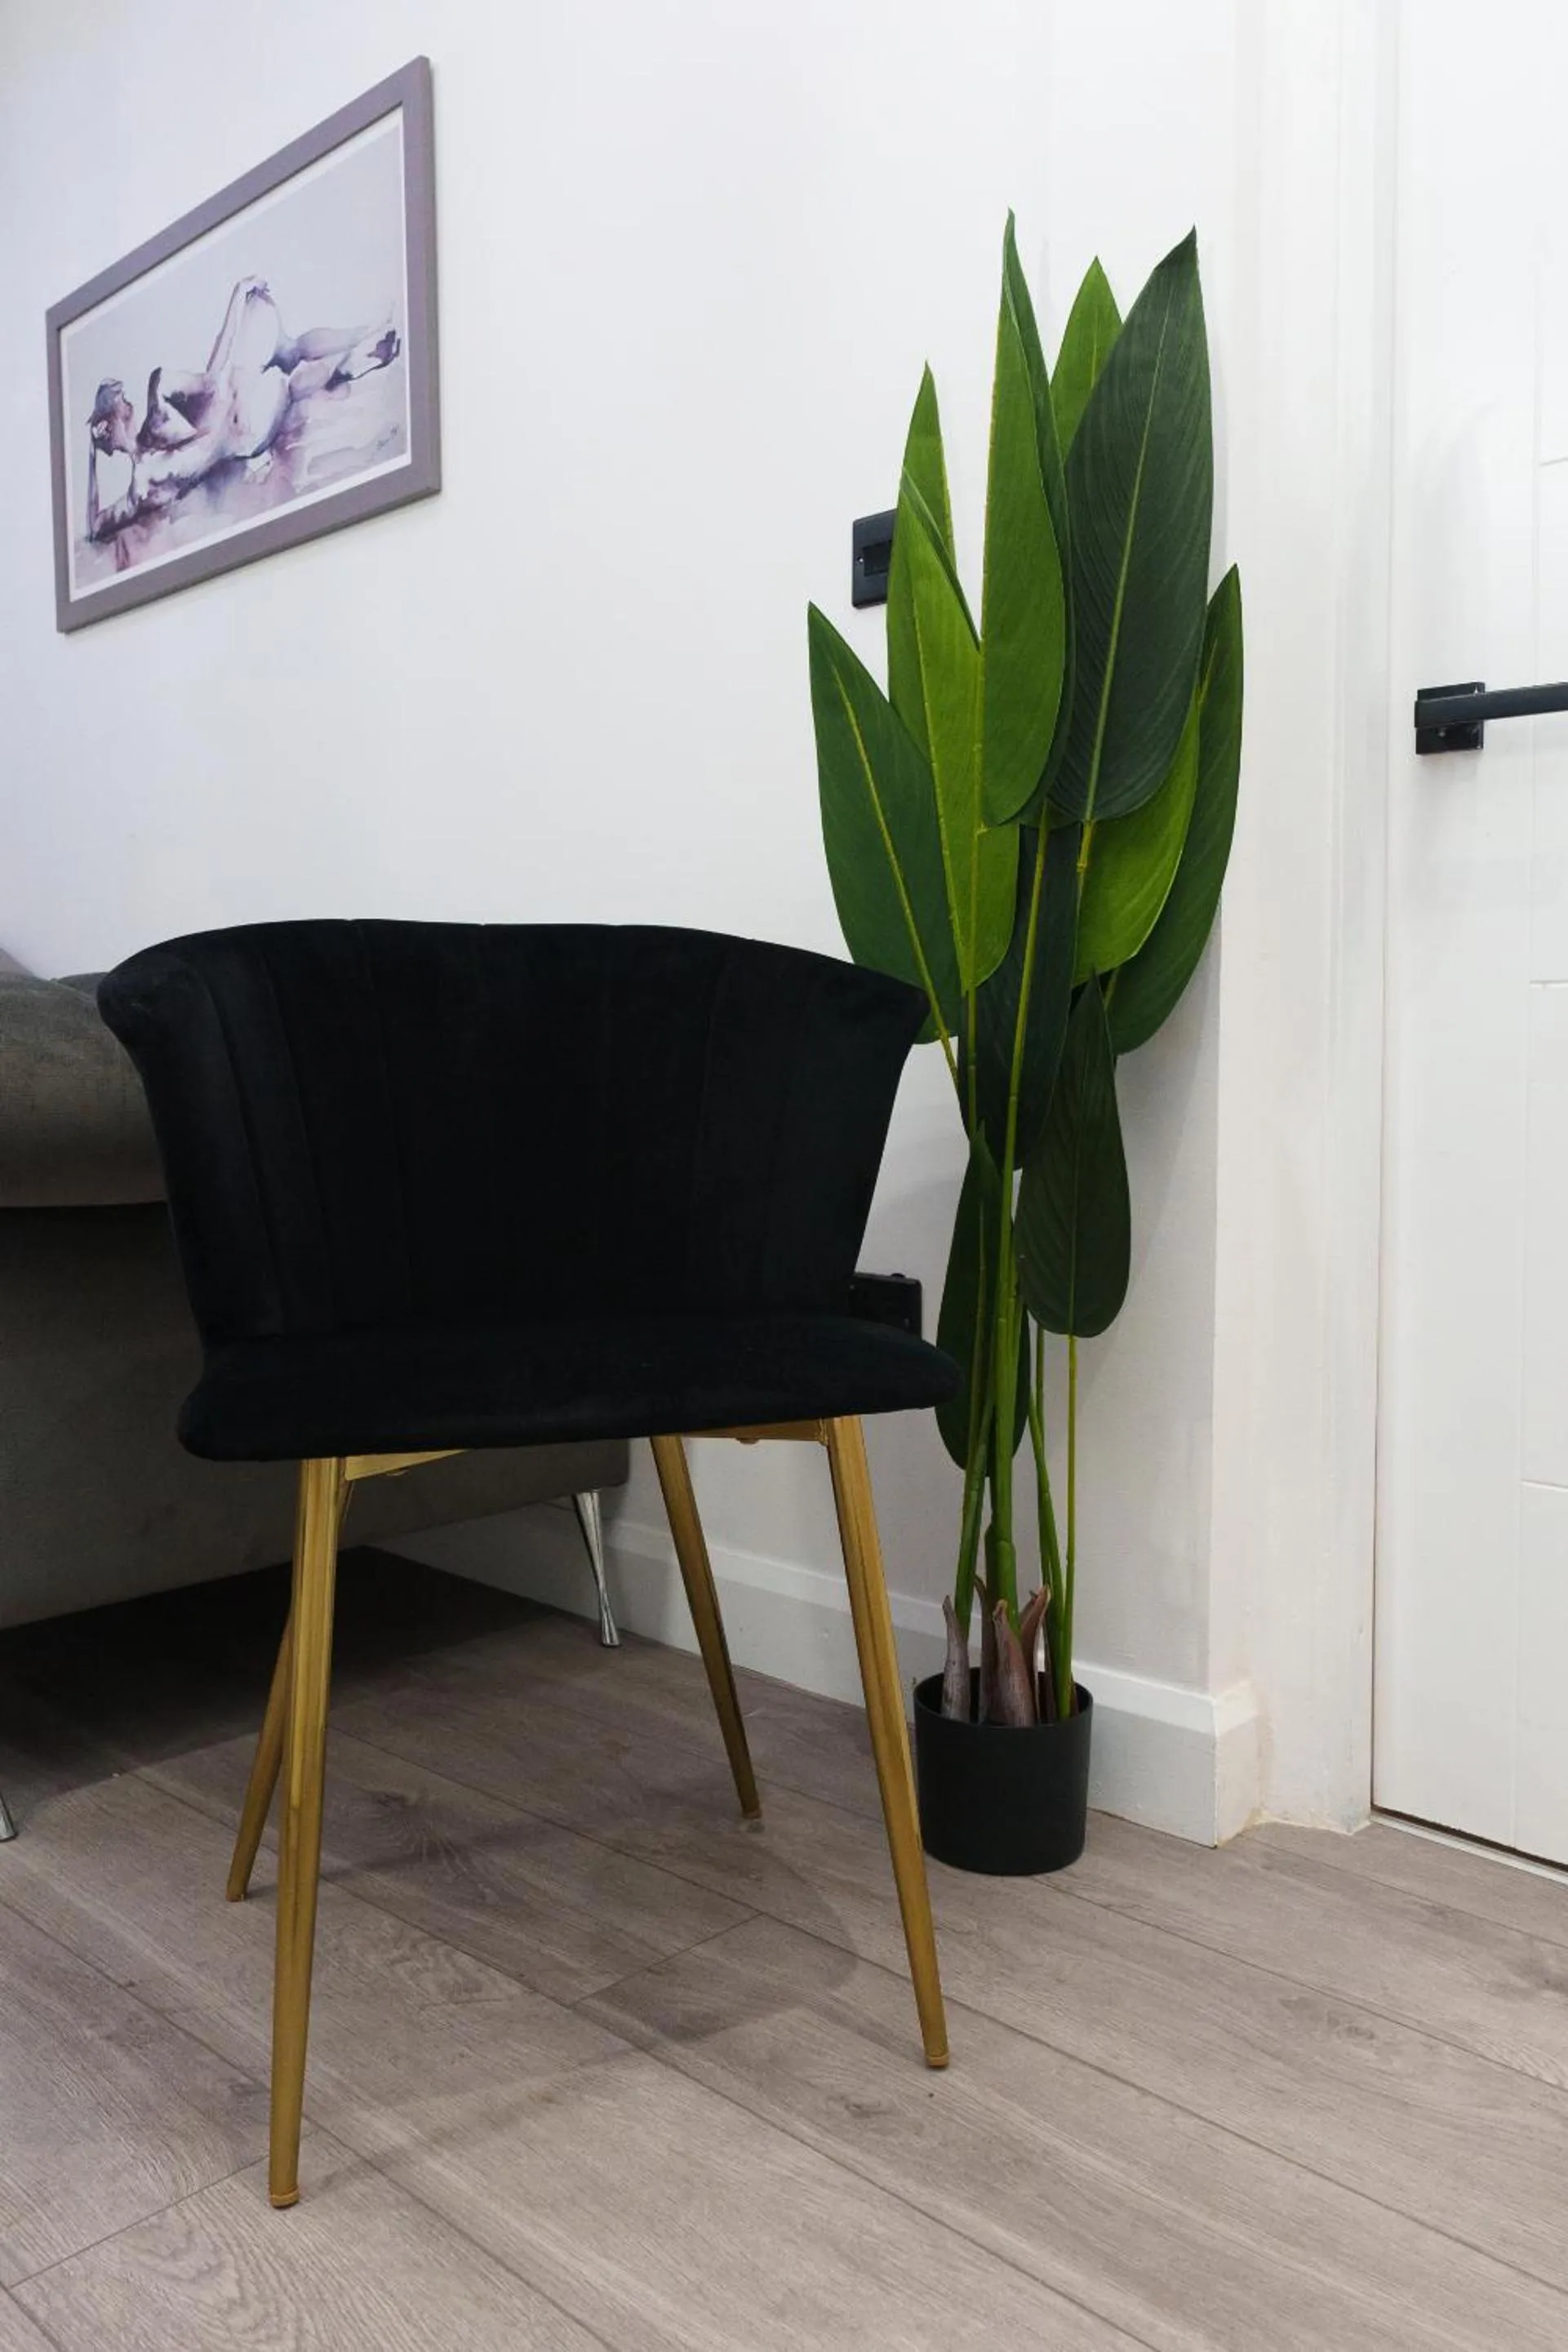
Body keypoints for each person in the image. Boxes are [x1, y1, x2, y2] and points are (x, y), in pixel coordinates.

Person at [86, 273, 399, 543]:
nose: (128, 405)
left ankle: (360, 356)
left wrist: (91, 458)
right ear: (107, 425)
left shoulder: (143, 481)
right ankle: (364, 342)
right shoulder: (155, 431)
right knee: (291, 359)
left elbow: (95, 525)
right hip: (243, 415)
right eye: (123, 403)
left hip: (244, 424)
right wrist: (237, 300)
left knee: (291, 373)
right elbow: (214, 382)